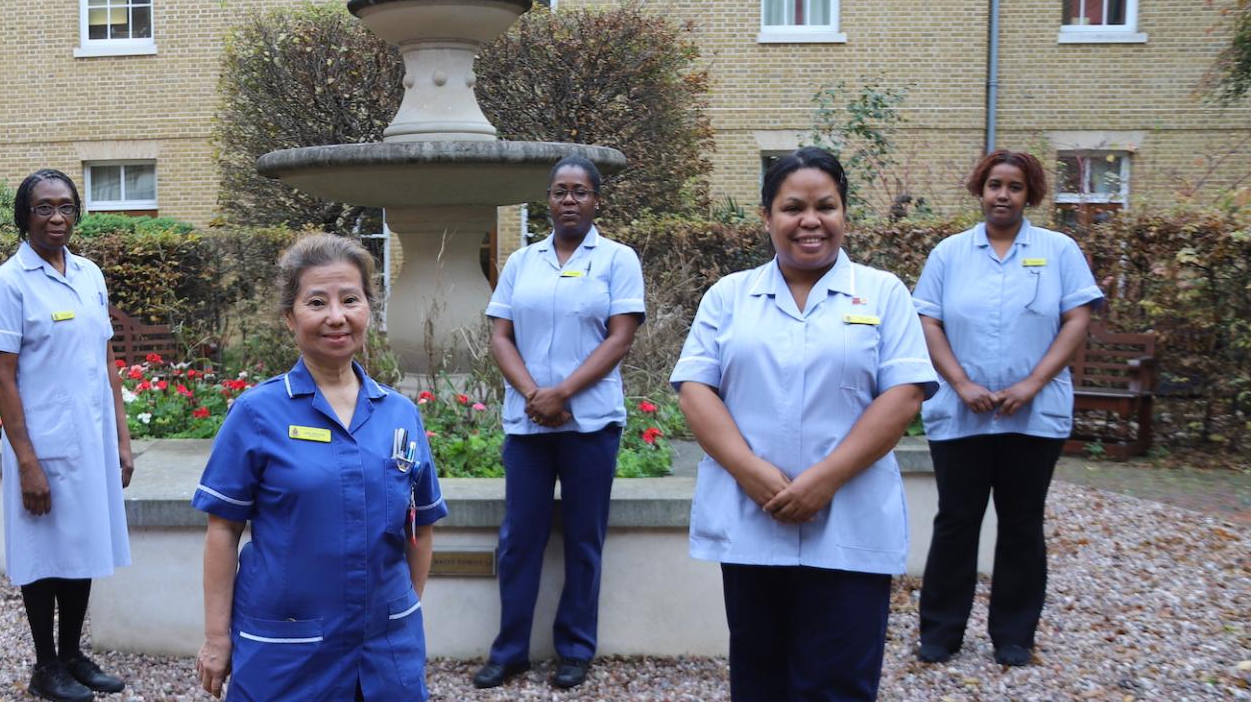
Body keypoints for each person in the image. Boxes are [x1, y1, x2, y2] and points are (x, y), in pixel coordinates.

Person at [671, 147, 938, 702]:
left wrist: (826, 479)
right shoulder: (729, 295)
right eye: (793, 207)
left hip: (849, 521)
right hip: (753, 517)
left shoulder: (883, 292)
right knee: (760, 678)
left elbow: (905, 393)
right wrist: (748, 471)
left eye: (826, 206)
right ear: (767, 217)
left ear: (845, 215)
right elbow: (696, 389)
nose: (810, 220)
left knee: (839, 682)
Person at [194, 233, 448, 702]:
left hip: (386, 650)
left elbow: (421, 527)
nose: (337, 316)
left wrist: (402, 608)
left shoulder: (399, 414)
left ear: (368, 309)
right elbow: (223, 531)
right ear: (290, 317)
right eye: (317, 302)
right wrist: (217, 637)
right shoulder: (257, 413)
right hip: (288, 650)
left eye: (350, 299)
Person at [912, 150, 1103, 668]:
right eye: (994, 184)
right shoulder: (949, 254)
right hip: (961, 413)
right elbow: (927, 322)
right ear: (981, 190)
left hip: (1033, 415)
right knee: (956, 520)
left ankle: (1014, 637)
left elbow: (1076, 319)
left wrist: (1033, 384)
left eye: (1014, 187)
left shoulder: (1059, 250)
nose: (1002, 195)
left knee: (1022, 522)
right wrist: (961, 383)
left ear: (1030, 195)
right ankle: (941, 634)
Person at [472, 154, 644, 690]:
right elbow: (500, 335)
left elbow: (620, 336)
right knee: (519, 537)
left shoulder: (617, 259)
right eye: (560, 191)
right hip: (528, 427)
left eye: (580, 192)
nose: (569, 200)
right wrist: (533, 395)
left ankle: (574, 649)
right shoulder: (523, 262)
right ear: (547, 200)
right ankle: (511, 650)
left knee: (583, 539)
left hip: (590, 423)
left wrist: (564, 393)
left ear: (596, 200)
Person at [0, 169, 135, 702]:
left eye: (66, 207)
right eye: (44, 208)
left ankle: (73, 654)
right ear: (24, 215)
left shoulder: (90, 274)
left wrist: (121, 437)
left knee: (83, 543)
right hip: (41, 444)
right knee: (44, 551)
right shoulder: (8, 282)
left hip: (90, 441)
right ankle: (45, 666)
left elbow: (106, 359)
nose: (57, 218)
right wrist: (27, 461)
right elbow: (2, 376)